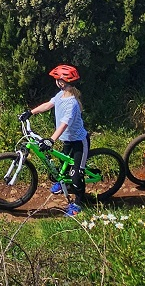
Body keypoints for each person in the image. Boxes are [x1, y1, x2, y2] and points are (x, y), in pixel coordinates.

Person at [19, 64, 89, 216]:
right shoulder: (60, 95)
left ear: (62, 82)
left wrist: (51, 140)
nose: (56, 81)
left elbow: (64, 124)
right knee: (63, 164)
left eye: (57, 79)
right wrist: (31, 112)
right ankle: (63, 181)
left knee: (76, 176)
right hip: (67, 141)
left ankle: (77, 204)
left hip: (79, 143)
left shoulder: (72, 104)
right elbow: (48, 105)